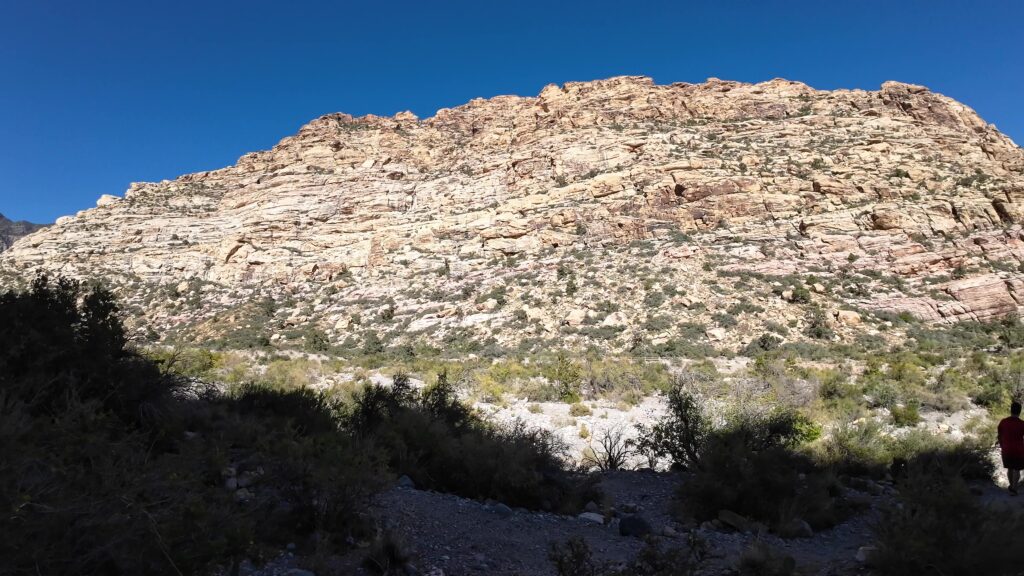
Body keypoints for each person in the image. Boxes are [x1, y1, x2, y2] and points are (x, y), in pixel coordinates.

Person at [997, 401, 1024, 495]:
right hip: (1019, 450)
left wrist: (1001, 445)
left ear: (1011, 410)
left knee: (1010, 468)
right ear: (1019, 411)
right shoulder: (1022, 424)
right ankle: (1014, 489)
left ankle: (1011, 487)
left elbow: (999, 435)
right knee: (1017, 469)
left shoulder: (1003, 422)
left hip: (1006, 449)